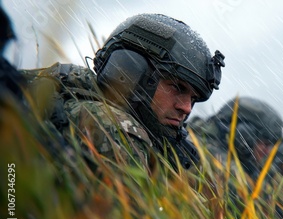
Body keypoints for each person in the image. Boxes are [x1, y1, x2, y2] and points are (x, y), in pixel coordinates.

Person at [21, 13, 225, 172]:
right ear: (128, 71)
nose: (186, 108)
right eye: (177, 87)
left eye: (193, 98)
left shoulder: (69, 93)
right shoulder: (115, 129)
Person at [188, 96, 283, 214]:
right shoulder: (204, 148)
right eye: (265, 143)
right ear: (243, 134)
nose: (268, 151)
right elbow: (243, 196)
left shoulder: (242, 159)